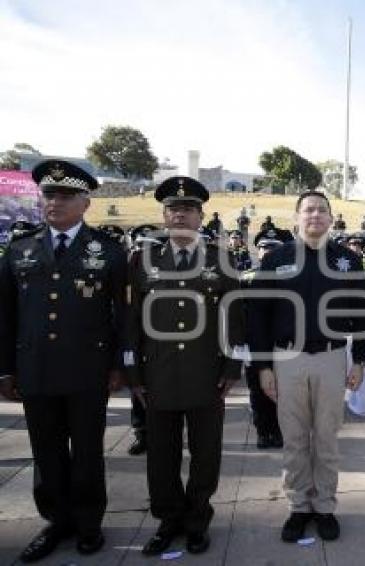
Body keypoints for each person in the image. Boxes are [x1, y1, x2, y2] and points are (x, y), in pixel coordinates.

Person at [0, 160, 127, 562]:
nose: (54, 202)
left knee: (87, 450)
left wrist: (119, 365)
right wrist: (5, 368)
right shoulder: (19, 249)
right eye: (49, 195)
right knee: (46, 450)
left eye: (65, 196)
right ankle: (56, 521)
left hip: (87, 370)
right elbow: (5, 315)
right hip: (35, 369)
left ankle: (89, 524)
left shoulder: (107, 251)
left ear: (85, 203)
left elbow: (121, 315)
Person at [125, 176, 244, 556]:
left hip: (205, 375)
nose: (180, 215)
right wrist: (132, 374)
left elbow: (234, 319)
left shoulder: (220, 261)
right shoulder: (142, 262)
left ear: (200, 217)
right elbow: (129, 322)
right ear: (163, 215)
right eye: (173, 209)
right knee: (161, 454)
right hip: (157, 374)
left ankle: (197, 520)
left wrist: (230, 370)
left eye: (188, 209)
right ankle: (167, 519)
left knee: (205, 453)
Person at [250, 191, 365, 543]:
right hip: (286, 359)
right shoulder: (276, 260)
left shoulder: (348, 261)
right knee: (293, 437)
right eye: (308, 209)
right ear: (296, 218)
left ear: (331, 218)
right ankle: (299, 506)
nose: (315, 215)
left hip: (333, 358)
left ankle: (325, 507)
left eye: (322, 210)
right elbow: (259, 315)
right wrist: (263, 367)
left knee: (327, 438)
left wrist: (360, 359)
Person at [241, 229, 291, 450]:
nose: (267, 251)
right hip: (254, 342)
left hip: (283, 343)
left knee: (283, 389)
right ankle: (263, 431)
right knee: (257, 388)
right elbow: (239, 313)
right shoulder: (246, 277)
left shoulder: (290, 276)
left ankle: (279, 431)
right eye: (263, 247)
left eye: (273, 247)